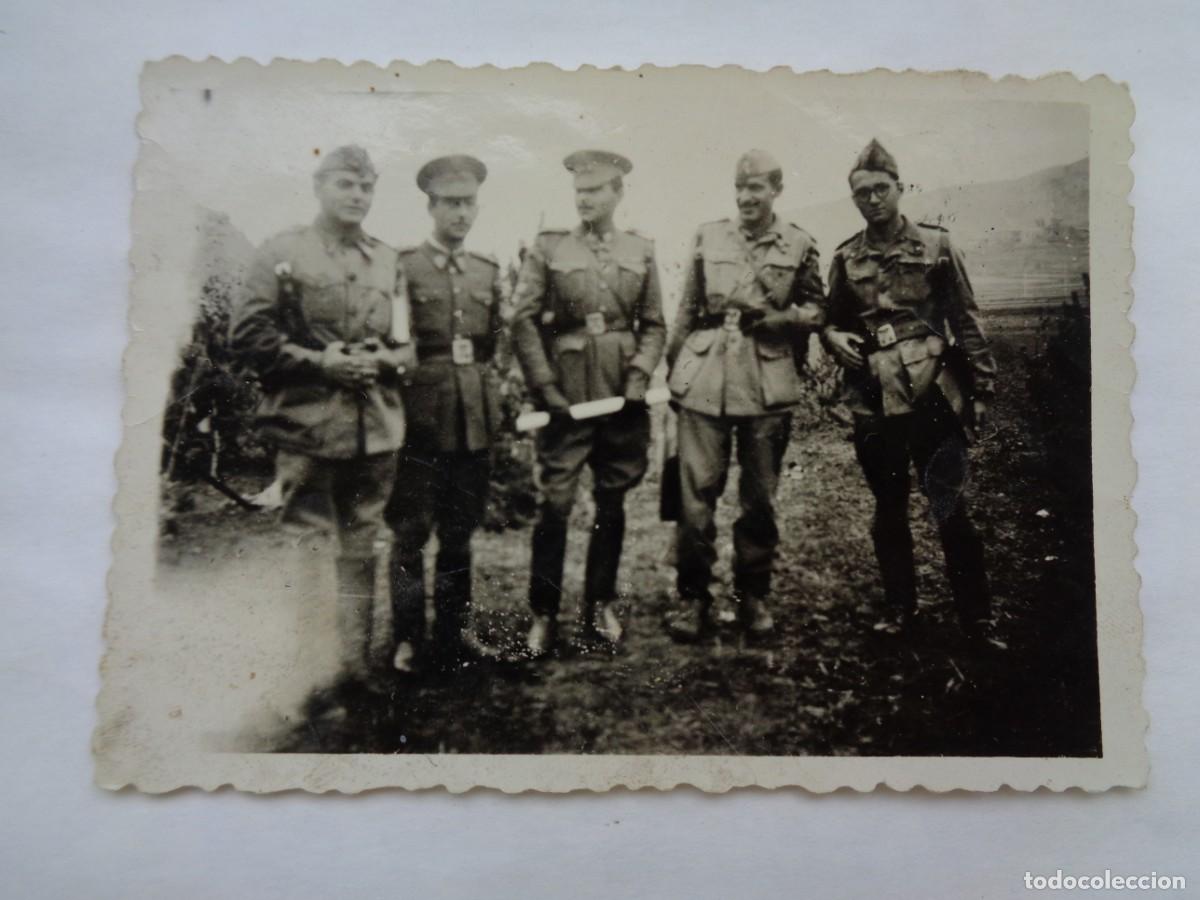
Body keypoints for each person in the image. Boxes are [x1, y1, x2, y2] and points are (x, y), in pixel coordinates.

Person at [231, 145, 414, 707]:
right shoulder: (282, 253)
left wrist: (379, 362)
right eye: (345, 184)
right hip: (309, 427)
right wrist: (322, 363)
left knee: (361, 544)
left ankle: (353, 670)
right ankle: (309, 674)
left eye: (366, 187)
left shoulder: (388, 260)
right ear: (318, 187)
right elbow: (249, 337)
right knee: (309, 549)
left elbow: (408, 347)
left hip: (375, 430)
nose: (357, 196)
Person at [822, 139, 996, 640]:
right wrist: (832, 337)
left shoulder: (937, 247)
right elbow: (831, 320)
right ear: (854, 200)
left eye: (881, 189)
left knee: (950, 507)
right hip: (874, 399)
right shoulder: (845, 258)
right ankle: (900, 609)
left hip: (931, 395)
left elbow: (966, 319)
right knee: (889, 508)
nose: (873, 199)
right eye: (862, 193)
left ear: (900, 188)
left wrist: (982, 390)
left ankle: (977, 616)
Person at [510, 149, 666, 656]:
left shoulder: (640, 249)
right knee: (555, 504)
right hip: (566, 396)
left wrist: (640, 375)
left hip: (622, 396)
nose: (585, 198)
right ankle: (543, 612)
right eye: (579, 190)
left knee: (612, 503)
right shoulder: (550, 247)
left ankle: (599, 603)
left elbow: (654, 323)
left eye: (596, 190)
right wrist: (546, 389)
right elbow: (524, 320)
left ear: (618, 192)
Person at [664, 150, 825, 643]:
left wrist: (783, 321)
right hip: (705, 378)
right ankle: (694, 598)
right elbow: (687, 309)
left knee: (759, 501)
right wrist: (676, 376)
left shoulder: (799, 244)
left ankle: (753, 595)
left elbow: (817, 309)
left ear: (776, 189)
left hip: (766, 385)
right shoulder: (708, 236)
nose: (745, 196)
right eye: (739, 187)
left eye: (756, 187)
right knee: (695, 500)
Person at [385, 154, 505, 673]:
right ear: (431, 206)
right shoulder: (403, 266)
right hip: (419, 419)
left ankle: (456, 633)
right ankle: (408, 639)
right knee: (411, 531)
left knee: (459, 532)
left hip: (472, 418)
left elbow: (493, 345)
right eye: (450, 203)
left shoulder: (487, 269)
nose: (461, 213)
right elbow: (393, 339)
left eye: (468, 203)